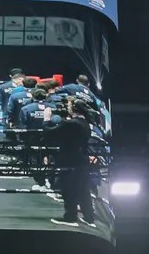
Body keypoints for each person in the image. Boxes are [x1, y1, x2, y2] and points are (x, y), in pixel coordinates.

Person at [49, 99, 96, 228]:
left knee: (68, 188)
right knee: (83, 189)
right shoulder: (85, 122)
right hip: (81, 159)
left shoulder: (71, 124)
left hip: (70, 160)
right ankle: (89, 218)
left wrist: (46, 120)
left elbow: (50, 133)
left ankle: (70, 217)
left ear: (74, 109)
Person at [16, 86, 58, 195]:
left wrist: (22, 139)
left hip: (33, 138)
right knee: (52, 159)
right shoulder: (54, 107)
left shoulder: (26, 109)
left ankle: (41, 183)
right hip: (50, 137)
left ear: (33, 96)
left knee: (35, 160)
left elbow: (23, 125)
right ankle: (52, 183)